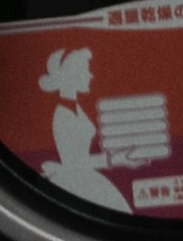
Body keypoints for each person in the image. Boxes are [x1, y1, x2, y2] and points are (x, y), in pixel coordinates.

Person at [36, 46, 129, 210]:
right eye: (86, 70)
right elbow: (74, 164)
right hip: (78, 182)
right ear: (70, 76)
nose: (91, 75)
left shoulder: (74, 107)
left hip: (85, 177)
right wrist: (113, 159)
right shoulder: (64, 115)